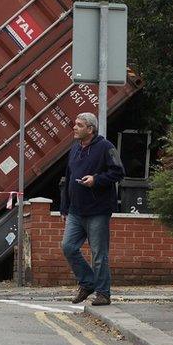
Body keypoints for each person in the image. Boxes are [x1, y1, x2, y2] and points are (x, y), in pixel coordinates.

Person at [61, 112, 125, 306]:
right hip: (75, 211)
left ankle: (103, 293)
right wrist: (64, 208)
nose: (74, 127)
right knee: (68, 247)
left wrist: (96, 180)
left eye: (79, 125)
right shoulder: (74, 149)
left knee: (99, 254)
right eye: (75, 124)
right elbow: (67, 179)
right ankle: (88, 282)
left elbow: (118, 172)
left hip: (98, 210)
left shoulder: (106, 147)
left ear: (90, 129)